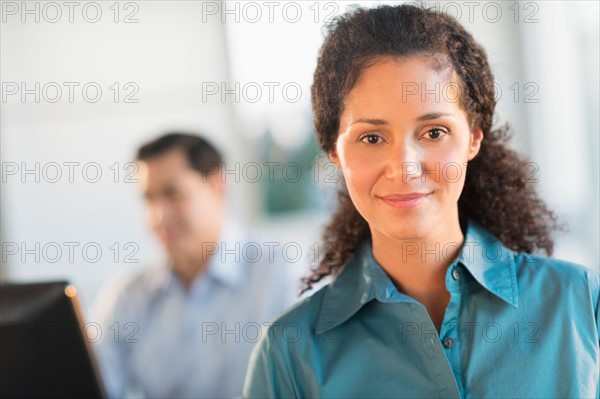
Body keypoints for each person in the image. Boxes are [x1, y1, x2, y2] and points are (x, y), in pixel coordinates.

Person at [243, 4, 600, 398]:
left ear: (474, 137)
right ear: (334, 151)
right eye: (372, 138)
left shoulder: (580, 304)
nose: (405, 167)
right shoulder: (290, 354)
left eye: (433, 132)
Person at [92, 133, 301, 398]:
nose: (158, 215)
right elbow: (95, 386)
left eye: (172, 194)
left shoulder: (283, 274)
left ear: (216, 185)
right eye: (148, 198)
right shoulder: (127, 296)